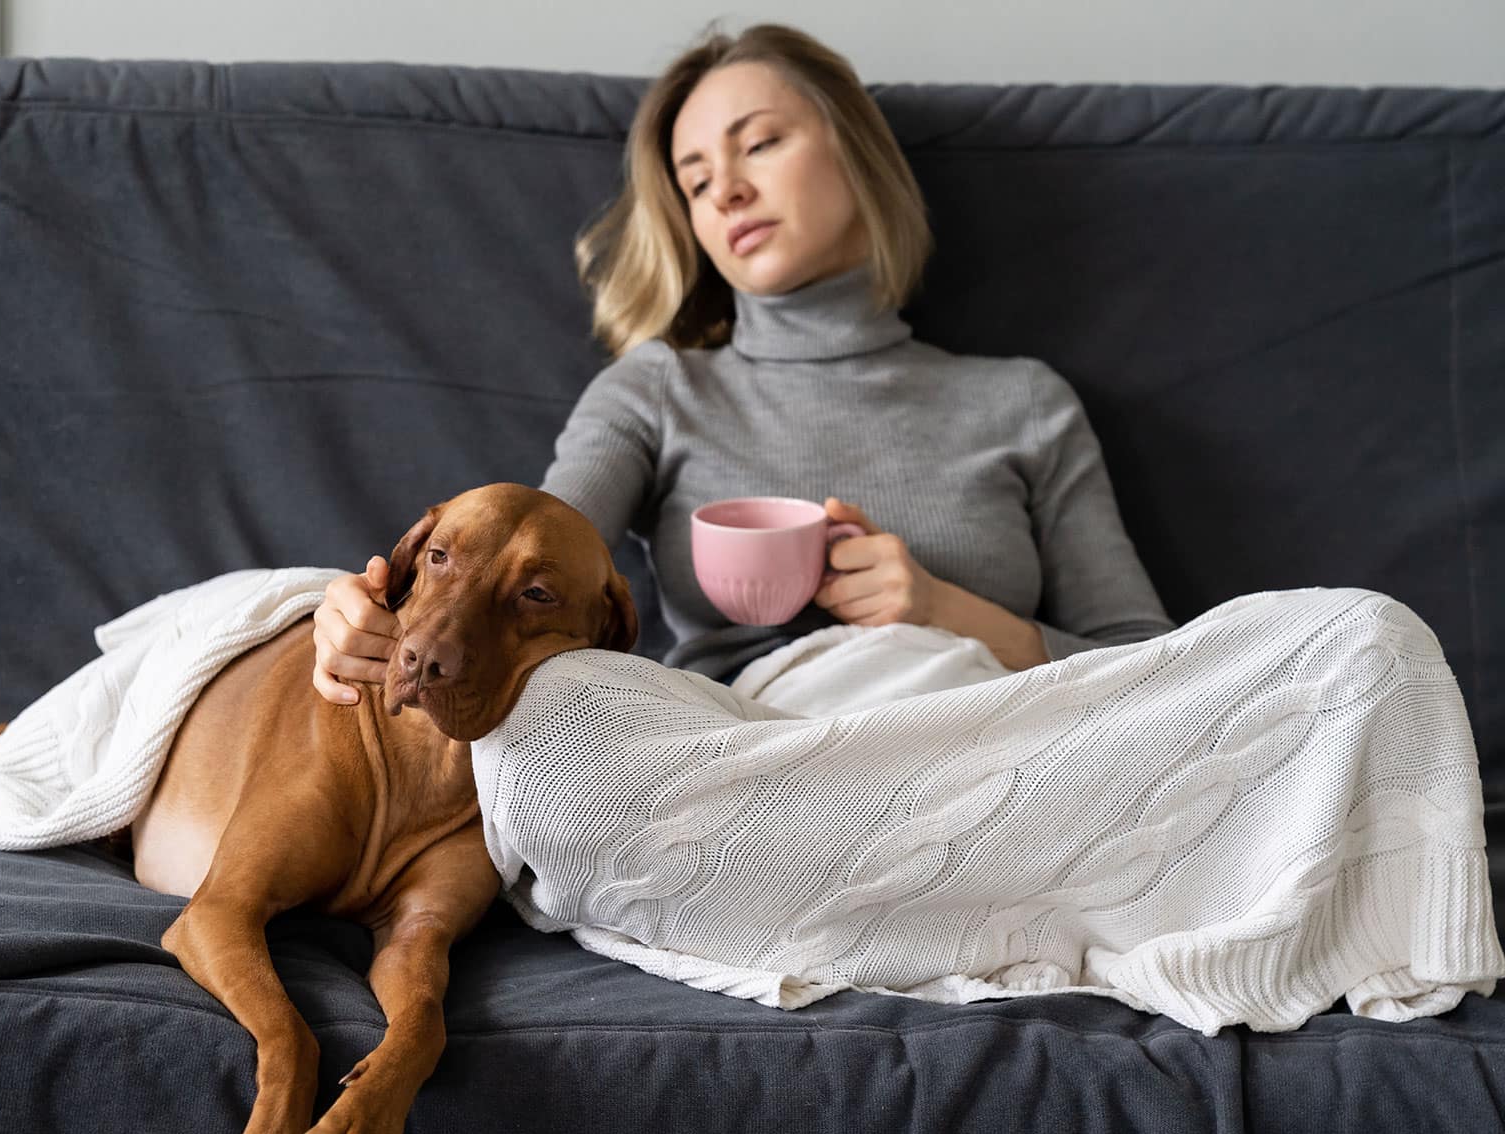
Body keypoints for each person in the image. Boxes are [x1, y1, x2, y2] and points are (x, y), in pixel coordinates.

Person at [312, 22, 1175, 707]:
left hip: (984, 730)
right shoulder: (659, 388)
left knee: (1306, 639)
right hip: (745, 748)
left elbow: (1161, 672)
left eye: (758, 144)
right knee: (553, 753)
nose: (724, 191)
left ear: (855, 153)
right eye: (695, 180)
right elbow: (526, 562)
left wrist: (947, 614)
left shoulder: (1024, 401)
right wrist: (369, 617)